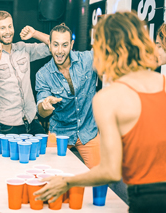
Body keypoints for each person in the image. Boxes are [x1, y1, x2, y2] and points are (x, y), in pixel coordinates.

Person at [34, 12, 166, 212]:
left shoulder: (107, 99)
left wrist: (67, 182)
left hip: (146, 198)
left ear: (105, 48)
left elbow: (110, 171)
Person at [35, 23, 100, 169]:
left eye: (64, 45)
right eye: (56, 45)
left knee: (99, 177)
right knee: (50, 176)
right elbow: (42, 112)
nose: (59, 51)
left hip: (88, 130)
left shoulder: (88, 59)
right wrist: (46, 106)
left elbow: (111, 60)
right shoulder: (42, 75)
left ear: (71, 45)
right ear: (49, 45)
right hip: (59, 133)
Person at [0, 10, 51, 135]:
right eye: (2, 28)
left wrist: (34, 33)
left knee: (42, 153)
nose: (8, 31)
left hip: (32, 119)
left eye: (10, 26)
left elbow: (54, 47)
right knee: (12, 155)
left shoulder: (23, 48)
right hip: (9, 124)